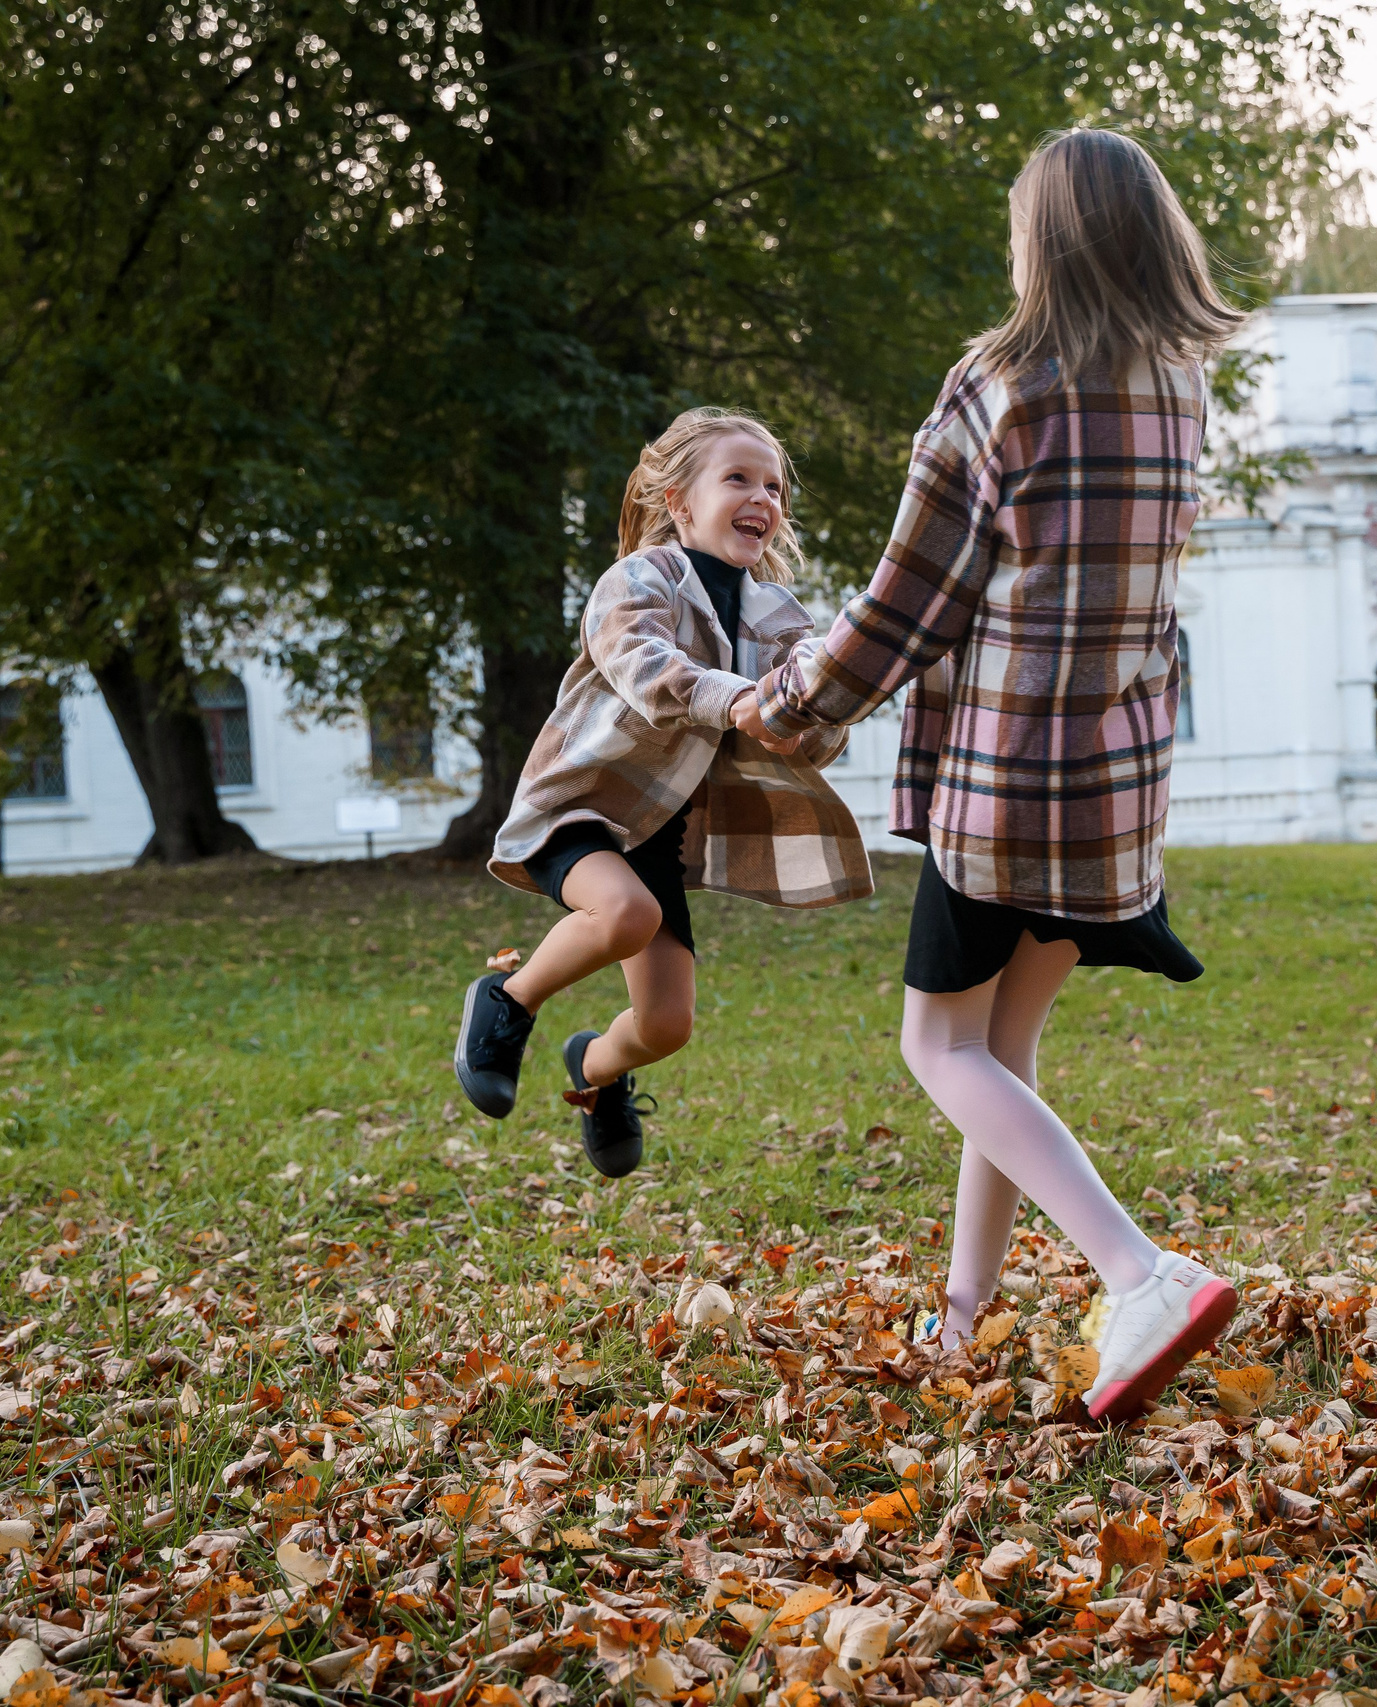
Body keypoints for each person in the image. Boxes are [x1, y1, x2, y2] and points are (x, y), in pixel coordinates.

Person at [750, 129, 1234, 1424]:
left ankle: (1142, 1272)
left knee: (936, 1041)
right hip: (1116, 785)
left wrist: (788, 703)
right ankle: (962, 1315)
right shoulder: (1181, 384)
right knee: (1001, 1050)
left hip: (1007, 784)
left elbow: (911, 602)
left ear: (1045, 239)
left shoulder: (999, 385)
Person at [451, 408, 872, 1176]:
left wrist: (807, 720)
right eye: (738, 478)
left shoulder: (780, 618)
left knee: (668, 1023)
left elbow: (814, 717)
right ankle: (507, 1000)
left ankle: (596, 1070)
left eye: (774, 486)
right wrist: (737, 699)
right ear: (678, 501)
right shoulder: (639, 580)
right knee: (626, 912)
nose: (763, 497)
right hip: (581, 804)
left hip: (655, 828)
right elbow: (644, 665)